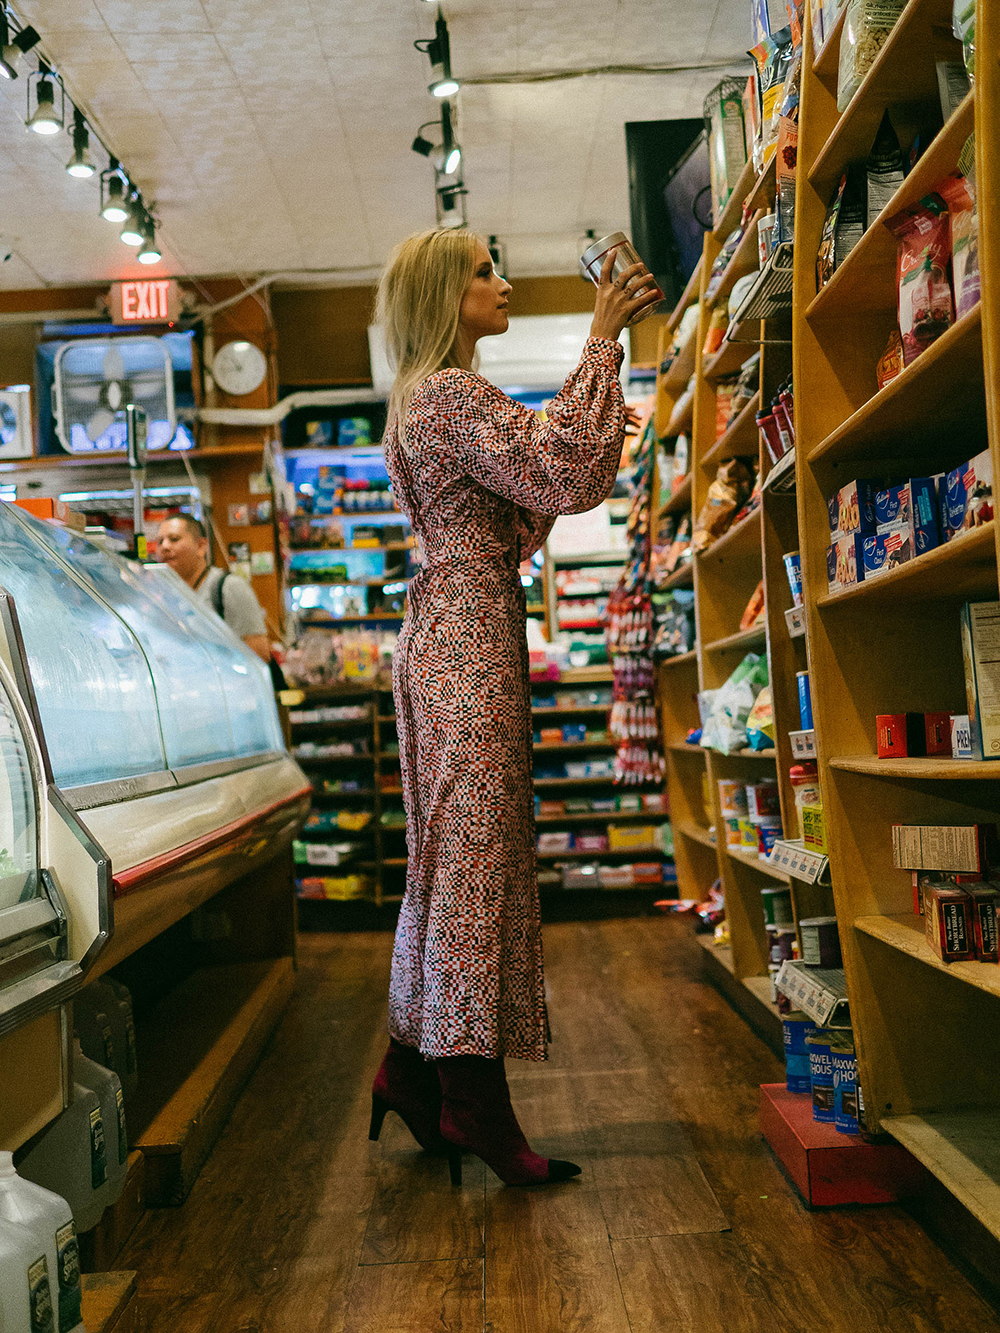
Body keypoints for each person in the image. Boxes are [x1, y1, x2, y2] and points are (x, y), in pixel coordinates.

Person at [368, 228, 661, 1186]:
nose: (502, 283)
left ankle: (414, 1068)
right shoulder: (451, 395)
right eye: (483, 273)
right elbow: (561, 471)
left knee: (447, 859)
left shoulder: (425, 402)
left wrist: (595, 404)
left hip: (445, 624)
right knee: (474, 864)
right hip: (468, 635)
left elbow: (537, 491)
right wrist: (604, 337)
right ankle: (473, 1104)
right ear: (446, 297)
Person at [157, 514, 271, 664]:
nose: (165, 547)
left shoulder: (229, 587)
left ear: (201, 546)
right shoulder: (168, 594)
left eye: (174, 539)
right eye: (159, 542)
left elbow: (259, 654)